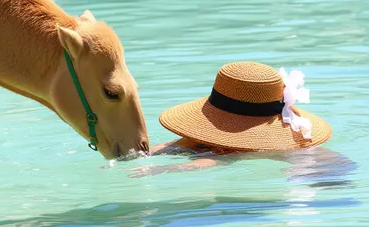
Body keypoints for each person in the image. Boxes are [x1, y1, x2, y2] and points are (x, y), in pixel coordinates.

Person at [127, 61, 354, 182]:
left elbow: (210, 161)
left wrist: (161, 169)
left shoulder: (236, 146)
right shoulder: (222, 141)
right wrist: (142, 154)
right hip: (327, 166)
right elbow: (181, 144)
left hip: (327, 169)